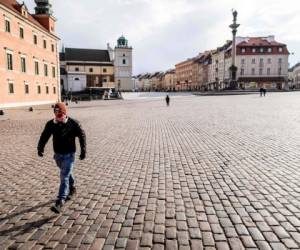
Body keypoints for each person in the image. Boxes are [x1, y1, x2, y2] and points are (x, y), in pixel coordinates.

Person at [37, 103, 86, 213]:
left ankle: (60, 201)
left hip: (69, 154)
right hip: (57, 155)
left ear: (65, 113)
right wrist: (40, 148)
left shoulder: (74, 123)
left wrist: (83, 150)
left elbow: (82, 136)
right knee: (66, 173)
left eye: (60, 115)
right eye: (56, 115)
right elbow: (44, 136)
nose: (58, 118)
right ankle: (72, 187)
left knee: (64, 176)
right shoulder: (51, 124)